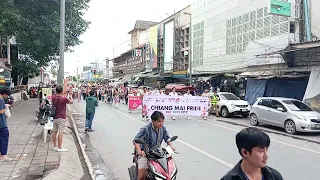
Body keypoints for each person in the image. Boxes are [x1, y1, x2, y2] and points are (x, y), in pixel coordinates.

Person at [134, 111, 175, 180]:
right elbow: (136, 141)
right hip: (146, 154)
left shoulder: (163, 128)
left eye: (162, 121)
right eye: (159, 121)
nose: (161, 123)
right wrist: (139, 151)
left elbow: (167, 138)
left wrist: (171, 145)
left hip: (158, 153)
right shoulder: (145, 129)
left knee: (167, 171)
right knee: (142, 176)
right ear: (153, 121)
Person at [51, 86, 73, 152]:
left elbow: (55, 97)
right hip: (61, 117)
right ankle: (59, 147)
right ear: (62, 91)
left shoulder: (53, 97)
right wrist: (70, 96)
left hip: (55, 116)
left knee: (54, 131)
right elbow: (71, 102)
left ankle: (55, 146)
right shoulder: (64, 99)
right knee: (61, 132)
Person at [0, 87, 11, 161]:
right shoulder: (1, 100)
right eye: (7, 95)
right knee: (4, 138)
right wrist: (6, 108)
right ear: (4, 94)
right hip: (2, 123)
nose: (7, 97)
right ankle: (3, 155)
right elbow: (1, 111)